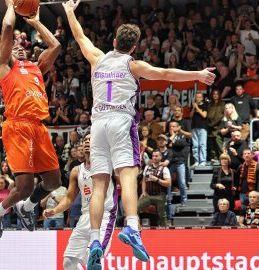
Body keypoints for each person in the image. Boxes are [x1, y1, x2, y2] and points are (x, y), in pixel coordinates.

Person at [62, 0, 215, 266]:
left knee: (99, 185)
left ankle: (95, 239)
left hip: (97, 124)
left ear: (113, 41)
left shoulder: (97, 59)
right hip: (121, 121)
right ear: (134, 46)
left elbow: (79, 35)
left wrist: (68, 12)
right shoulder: (133, 65)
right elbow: (166, 73)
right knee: (129, 175)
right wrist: (198, 75)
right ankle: (132, 227)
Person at [0, 1, 61, 240]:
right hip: (17, 126)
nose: (20, 48)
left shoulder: (37, 68)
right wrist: (12, 5)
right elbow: (8, 27)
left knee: (53, 182)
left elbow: (56, 44)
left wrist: (36, 21)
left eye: (24, 46)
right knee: (25, 187)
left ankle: (26, 208)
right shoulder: (4, 66)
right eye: (15, 47)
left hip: (38, 126)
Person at [43, 134, 117, 270]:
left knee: (92, 257)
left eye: (92, 139)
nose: (88, 142)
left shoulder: (109, 163)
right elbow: (69, 198)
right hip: (84, 218)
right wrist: (55, 210)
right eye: (86, 140)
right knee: (68, 263)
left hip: (104, 217)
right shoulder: (76, 171)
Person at [138, 150, 171, 226]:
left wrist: (157, 180)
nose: (154, 158)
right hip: (148, 195)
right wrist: (143, 192)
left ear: (160, 157)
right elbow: (143, 181)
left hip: (160, 195)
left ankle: (164, 231)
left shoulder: (165, 169)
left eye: (156, 156)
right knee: (135, 208)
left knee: (162, 216)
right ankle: (137, 227)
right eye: (153, 156)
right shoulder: (147, 167)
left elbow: (169, 183)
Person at [190, 92, 208, 167]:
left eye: (199, 97)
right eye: (197, 97)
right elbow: (190, 116)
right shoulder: (193, 106)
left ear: (202, 98)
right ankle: (196, 161)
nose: (198, 99)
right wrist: (194, 109)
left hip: (202, 127)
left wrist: (197, 108)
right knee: (195, 145)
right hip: (194, 127)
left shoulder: (205, 105)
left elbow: (204, 115)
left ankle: (203, 161)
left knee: (202, 144)